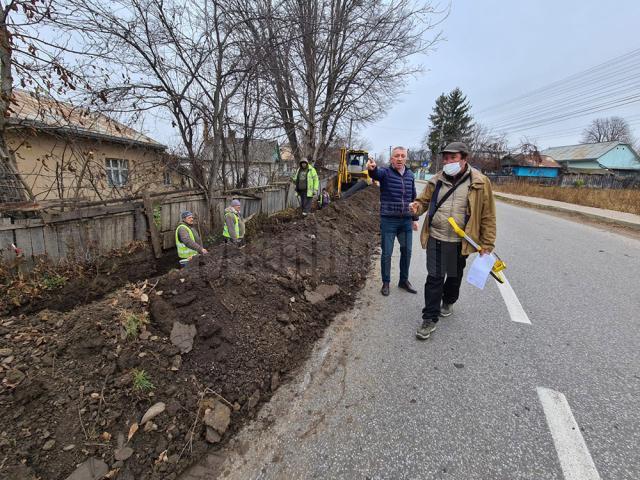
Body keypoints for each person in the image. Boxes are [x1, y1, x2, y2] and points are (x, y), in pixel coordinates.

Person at [409, 142, 496, 340]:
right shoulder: (436, 180)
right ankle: (429, 318)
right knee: (434, 278)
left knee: (454, 277)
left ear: (464, 159)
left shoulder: (480, 183)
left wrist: (487, 244)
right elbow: (423, 201)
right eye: (445, 158)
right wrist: (416, 207)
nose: (448, 162)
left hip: (461, 241)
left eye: (453, 158)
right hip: (437, 237)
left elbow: (488, 215)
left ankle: (448, 300)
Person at [366, 146, 419, 296]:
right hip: (389, 220)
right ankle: (386, 282)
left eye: (403, 156)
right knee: (387, 253)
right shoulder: (386, 173)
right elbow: (376, 173)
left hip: (406, 221)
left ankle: (403, 281)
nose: (400, 158)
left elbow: (413, 196)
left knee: (407, 252)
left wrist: (415, 218)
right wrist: (372, 169)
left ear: (406, 158)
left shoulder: (410, 175)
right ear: (391, 159)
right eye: (397, 156)